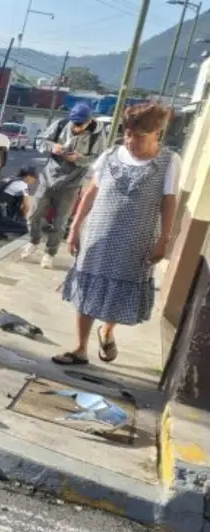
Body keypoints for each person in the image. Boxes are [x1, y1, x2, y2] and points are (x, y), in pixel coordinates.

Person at [53, 103, 180, 366]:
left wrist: (164, 240)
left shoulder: (169, 161)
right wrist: (75, 228)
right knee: (88, 289)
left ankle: (107, 329)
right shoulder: (110, 155)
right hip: (97, 236)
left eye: (140, 137)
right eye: (128, 134)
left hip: (136, 240)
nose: (131, 141)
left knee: (119, 291)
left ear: (157, 132)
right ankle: (79, 348)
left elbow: (169, 201)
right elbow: (90, 193)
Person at [21, 103, 106, 269]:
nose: (75, 127)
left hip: (72, 182)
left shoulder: (97, 135)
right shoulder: (60, 125)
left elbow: (98, 159)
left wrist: (79, 158)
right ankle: (34, 240)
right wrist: (53, 147)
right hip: (49, 176)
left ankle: (49, 252)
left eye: (79, 124)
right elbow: (40, 141)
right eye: (73, 123)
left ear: (89, 122)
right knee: (34, 215)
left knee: (60, 221)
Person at [0, 166, 38, 240]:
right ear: (28, 176)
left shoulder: (10, 179)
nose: (34, 181)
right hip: (0, 213)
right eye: (34, 179)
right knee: (24, 229)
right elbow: (26, 207)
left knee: (18, 200)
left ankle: (3, 225)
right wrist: (24, 220)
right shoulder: (22, 185)